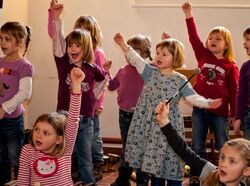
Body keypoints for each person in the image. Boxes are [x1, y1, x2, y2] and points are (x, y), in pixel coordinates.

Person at [113, 32, 222, 186]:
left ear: (175, 58)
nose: (159, 56)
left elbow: (192, 97)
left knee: (171, 156)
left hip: (169, 126)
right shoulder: (150, 72)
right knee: (154, 161)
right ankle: (155, 181)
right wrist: (123, 44)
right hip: (149, 125)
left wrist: (207, 103)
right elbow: (136, 60)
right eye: (158, 53)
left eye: (164, 54)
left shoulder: (180, 79)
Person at [48, 0, 108, 182]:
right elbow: (57, 40)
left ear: (87, 48)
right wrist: (57, 18)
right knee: (64, 155)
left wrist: (95, 97)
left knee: (85, 157)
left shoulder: (91, 67)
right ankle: (60, 181)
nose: (73, 49)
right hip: (65, 116)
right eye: (71, 45)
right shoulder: (63, 64)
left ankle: (89, 182)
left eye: (78, 45)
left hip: (87, 120)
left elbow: (104, 78)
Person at [182, 1, 239, 158]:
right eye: (211, 38)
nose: (213, 40)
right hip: (200, 109)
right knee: (197, 144)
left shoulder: (230, 66)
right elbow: (193, 37)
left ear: (227, 45)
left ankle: (223, 173)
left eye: (218, 39)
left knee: (223, 144)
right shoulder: (203, 55)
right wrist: (188, 15)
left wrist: (234, 113)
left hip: (220, 113)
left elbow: (235, 91)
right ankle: (198, 174)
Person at [155, 100, 250, 186]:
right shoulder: (212, 173)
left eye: (232, 161)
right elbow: (183, 150)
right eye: (222, 157)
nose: (223, 164)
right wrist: (164, 121)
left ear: (246, 171)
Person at [17, 67, 84, 186]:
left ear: (58, 139)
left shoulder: (65, 149)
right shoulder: (28, 151)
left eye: (46, 133)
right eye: (37, 129)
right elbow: (22, 182)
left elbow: (73, 119)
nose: (38, 135)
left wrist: (76, 86)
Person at [107, 34, 152, 186]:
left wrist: (167, 42)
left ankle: (142, 180)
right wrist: (107, 72)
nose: (129, 53)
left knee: (142, 147)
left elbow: (166, 68)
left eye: (134, 50)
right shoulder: (122, 70)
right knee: (127, 146)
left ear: (145, 54)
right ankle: (123, 178)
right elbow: (112, 86)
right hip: (125, 114)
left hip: (142, 116)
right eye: (128, 50)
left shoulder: (148, 69)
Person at [0, 21, 33, 185]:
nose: (2, 43)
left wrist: (4, 108)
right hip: (0, 118)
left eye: (7, 39)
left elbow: (25, 93)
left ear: (20, 42)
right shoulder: (0, 62)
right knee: (1, 155)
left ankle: (22, 181)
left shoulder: (24, 66)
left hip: (13, 120)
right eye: (1, 39)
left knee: (15, 155)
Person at [234, 27, 250, 140]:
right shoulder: (245, 67)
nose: (244, 43)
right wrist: (238, 118)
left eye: (248, 39)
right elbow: (241, 94)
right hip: (248, 115)